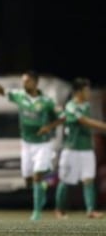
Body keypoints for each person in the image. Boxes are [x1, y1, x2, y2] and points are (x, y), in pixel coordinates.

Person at [0, 59, 61, 220]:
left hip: (43, 143)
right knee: (28, 180)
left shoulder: (46, 101)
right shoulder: (19, 96)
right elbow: (0, 91)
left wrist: (49, 127)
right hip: (26, 143)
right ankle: (42, 188)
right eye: (23, 81)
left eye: (27, 81)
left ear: (35, 82)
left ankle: (37, 212)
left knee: (37, 174)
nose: (24, 84)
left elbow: (62, 117)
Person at [52, 78, 105, 219]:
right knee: (65, 181)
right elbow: (83, 121)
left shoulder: (86, 105)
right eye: (86, 90)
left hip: (86, 148)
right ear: (78, 92)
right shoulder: (71, 106)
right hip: (71, 149)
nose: (88, 93)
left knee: (88, 180)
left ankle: (90, 210)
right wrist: (103, 126)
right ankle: (59, 210)